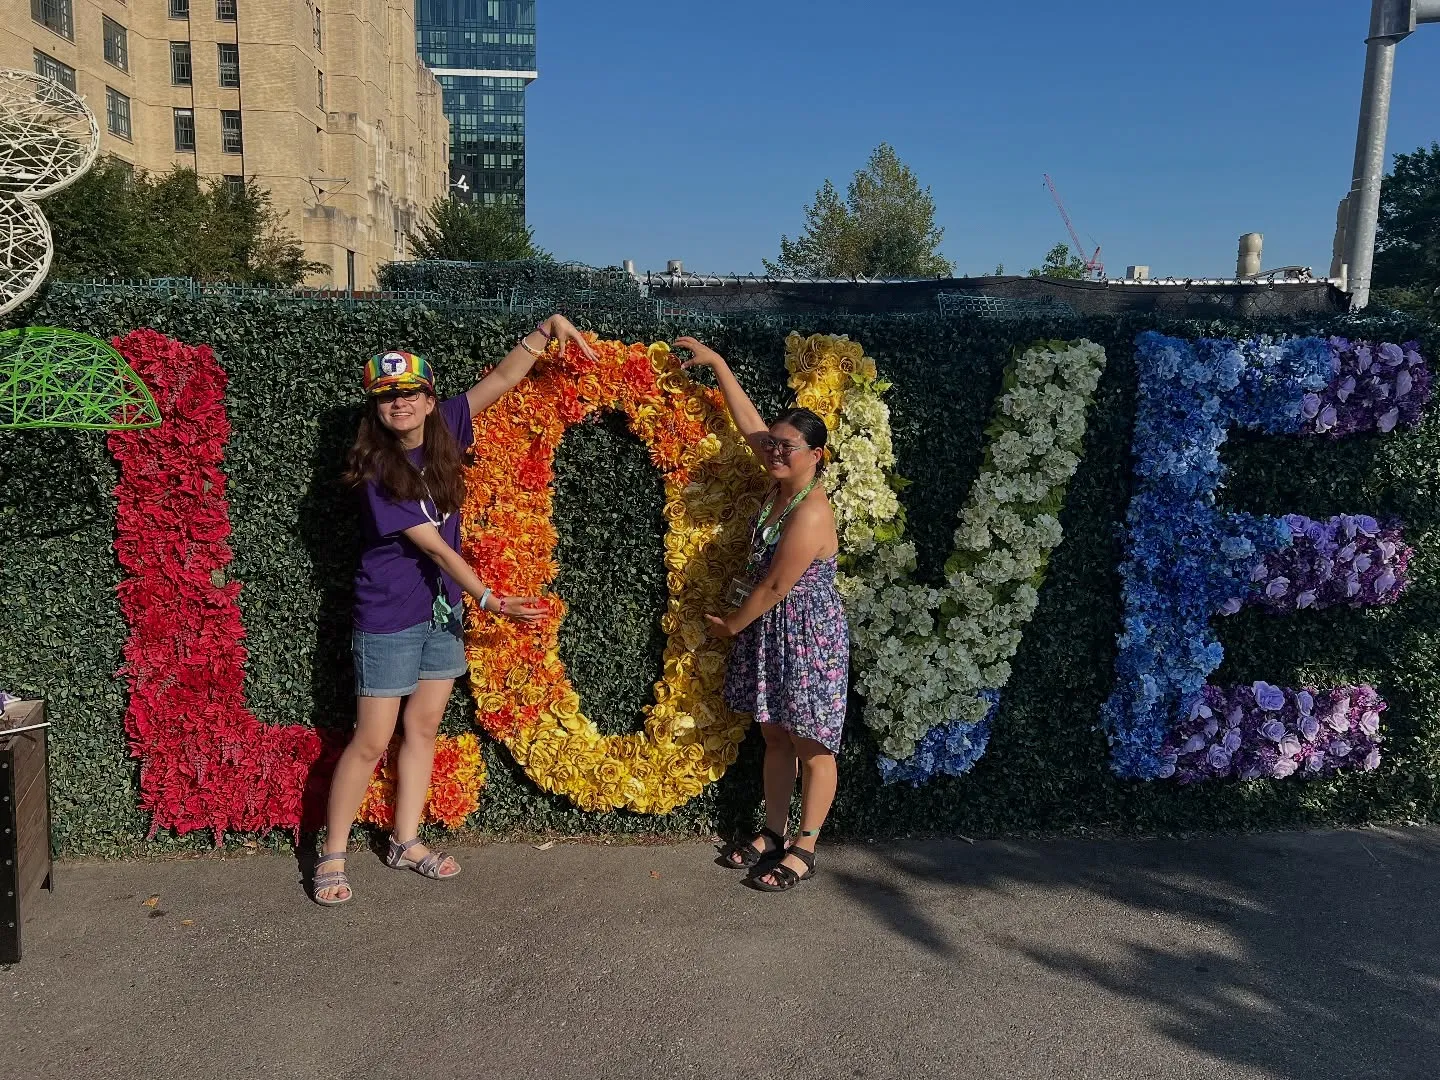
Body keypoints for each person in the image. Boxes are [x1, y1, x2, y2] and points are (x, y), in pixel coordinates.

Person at [312, 316, 598, 906]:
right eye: (388, 397)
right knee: (372, 740)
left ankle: (405, 841)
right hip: (389, 618)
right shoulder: (376, 470)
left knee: (423, 729)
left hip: (439, 614)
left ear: (428, 396)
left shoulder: (446, 429)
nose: (401, 404)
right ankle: (332, 854)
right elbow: (437, 546)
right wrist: (492, 600)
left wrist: (547, 331)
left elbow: (500, 378)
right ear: (376, 407)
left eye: (410, 393)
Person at [676, 336, 849, 893]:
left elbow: (777, 584)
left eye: (787, 447)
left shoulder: (812, 511)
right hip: (773, 630)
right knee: (774, 734)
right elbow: (750, 424)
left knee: (813, 743)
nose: (775, 452)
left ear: (816, 455)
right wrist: (721, 365)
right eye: (773, 444)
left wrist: (732, 625)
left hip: (805, 635)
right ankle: (772, 832)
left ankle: (806, 845)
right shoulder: (781, 479)